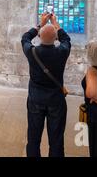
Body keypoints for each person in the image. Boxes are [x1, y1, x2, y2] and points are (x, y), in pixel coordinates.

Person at [21, 12, 71, 157]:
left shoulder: (32, 52)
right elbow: (66, 39)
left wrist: (40, 24)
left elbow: (25, 38)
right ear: (55, 38)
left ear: (39, 37)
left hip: (36, 99)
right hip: (56, 100)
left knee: (33, 138)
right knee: (56, 140)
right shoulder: (62, 52)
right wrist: (56, 24)